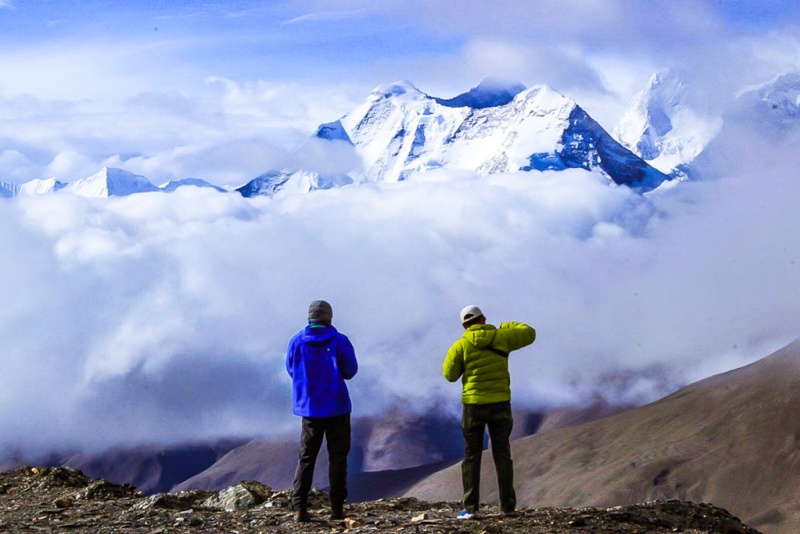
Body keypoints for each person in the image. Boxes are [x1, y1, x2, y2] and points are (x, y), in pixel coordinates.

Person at [442, 305, 536, 519]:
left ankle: (471, 509)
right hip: (501, 404)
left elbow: (449, 375)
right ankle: (508, 507)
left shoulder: (460, 346)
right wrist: (506, 325)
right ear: (483, 318)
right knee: (502, 454)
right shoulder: (502, 337)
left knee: (471, 456)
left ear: (464, 325)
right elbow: (530, 332)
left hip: (473, 406)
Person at [286, 300, 358, 523]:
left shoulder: (296, 341)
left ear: (310, 318)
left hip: (309, 408)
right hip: (337, 406)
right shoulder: (339, 341)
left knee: (306, 457)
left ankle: (300, 508)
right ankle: (337, 508)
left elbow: (291, 369)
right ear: (329, 317)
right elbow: (350, 370)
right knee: (338, 458)